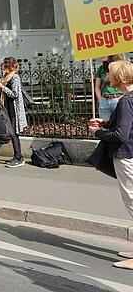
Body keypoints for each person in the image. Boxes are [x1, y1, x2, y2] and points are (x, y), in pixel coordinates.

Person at [89, 60, 133, 270]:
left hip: (126, 156)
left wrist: (98, 132)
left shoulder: (126, 101)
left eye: (110, 74)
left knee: (132, 203)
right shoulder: (130, 98)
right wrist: (106, 123)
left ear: (120, 78)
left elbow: (121, 135)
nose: (107, 78)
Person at [0, 57, 27, 168]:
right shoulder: (6, 77)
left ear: (10, 66)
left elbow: (15, 94)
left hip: (14, 110)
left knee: (14, 134)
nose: (2, 66)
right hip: (8, 108)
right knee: (12, 134)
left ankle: (19, 158)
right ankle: (17, 156)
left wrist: (2, 87)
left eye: (4, 65)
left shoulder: (15, 77)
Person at [96, 54, 127, 121]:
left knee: (119, 124)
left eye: (104, 52)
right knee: (105, 126)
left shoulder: (120, 67)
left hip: (118, 99)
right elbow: (97, 87)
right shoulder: (101, 68)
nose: (101, 54)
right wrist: (100, 100)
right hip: (104, 100)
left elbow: (126, 83)